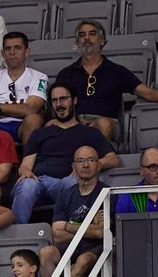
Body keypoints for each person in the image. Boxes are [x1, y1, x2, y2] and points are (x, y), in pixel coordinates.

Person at [11, 83, 119, 224]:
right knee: (27, 186)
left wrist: (86, 165)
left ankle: (75, 233)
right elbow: (25, 166)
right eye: (54, 100)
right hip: (41, 182)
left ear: (74, 100)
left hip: (70, 181)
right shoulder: (40, 133)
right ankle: (17, 238)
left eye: (63, 99)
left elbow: (113, 159)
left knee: (74, 183)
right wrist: (25, 172)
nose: (59, 104)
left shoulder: (90, 133)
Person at [56, 20, 158, 142]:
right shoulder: (66, 74)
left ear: (102, 40)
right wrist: (73, 121)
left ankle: (95, 159)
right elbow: (56, 104)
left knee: (104, 124)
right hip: (74, 123)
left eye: (92, 34)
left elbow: (147, 92)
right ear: (78, 42)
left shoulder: (117, 72)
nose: (87, 38)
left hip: (107, 123)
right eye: (82, 35)